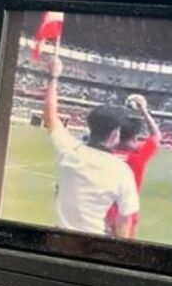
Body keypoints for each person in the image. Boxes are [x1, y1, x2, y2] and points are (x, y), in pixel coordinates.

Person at [43, 57, 139, 239]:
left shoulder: (69, 151)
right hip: (93, 244)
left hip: (58, 239)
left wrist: (54, 77)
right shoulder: (122, 171)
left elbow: (50, 116)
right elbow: (125, 220)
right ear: (114, 134)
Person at [104, 94, 161, 236]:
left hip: (102, 210)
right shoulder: (138, 157)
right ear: (135, 138)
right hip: (126, 214)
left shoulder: (104, 154)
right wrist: (144, 111)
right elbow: (156, 135)